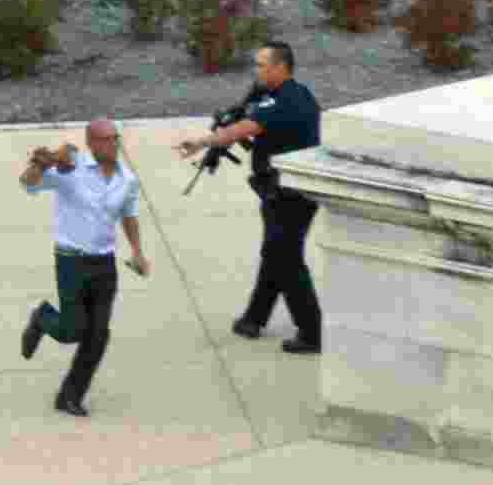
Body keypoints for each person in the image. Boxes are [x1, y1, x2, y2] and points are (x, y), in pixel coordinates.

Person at [176, 41, 322, 354]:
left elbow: (243, 128)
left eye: (262, 65)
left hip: (288, 194)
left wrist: (202, 141)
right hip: (291, 191)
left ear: (281, 67)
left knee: (286, 260)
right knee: (275, 254)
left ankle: (312, 331)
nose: (256, 70)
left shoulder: (282, 101)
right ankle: (254, 319)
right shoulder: (298, 93)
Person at [18, 119, 150, 417]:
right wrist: (40, 163)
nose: (112, 144)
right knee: (71, 331)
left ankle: (69, 396)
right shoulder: (70, 167)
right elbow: (28, 183)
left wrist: (138, 251)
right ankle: (42, 317)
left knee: (98, 335)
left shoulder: (126, 179)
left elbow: (129, 215)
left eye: (115, 138)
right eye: (105, 139)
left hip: (105, 264)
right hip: (71, 261)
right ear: (91, 142)